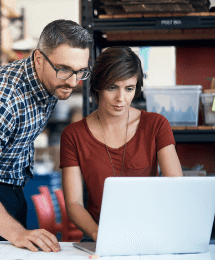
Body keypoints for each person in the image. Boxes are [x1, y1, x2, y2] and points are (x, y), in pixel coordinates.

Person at [0, 19, 93, 252]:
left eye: (80, 71)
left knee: (18, 258)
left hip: (13, 185)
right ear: (38, 59)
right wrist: (17, 233)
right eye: (64, 69)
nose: (73, 82)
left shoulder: (52, 81)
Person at [59, 46, 183, 242]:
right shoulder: (73, 135)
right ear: (97, 86)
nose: (121, 99)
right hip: (98, 235)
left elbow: (176, 187)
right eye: (112, 87)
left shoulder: (156, 125)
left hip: (150, 233)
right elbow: (74, 203)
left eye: (129, 89)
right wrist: (96, 233)